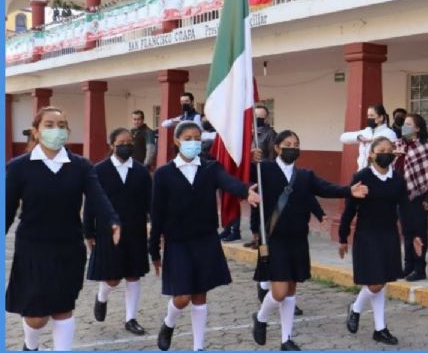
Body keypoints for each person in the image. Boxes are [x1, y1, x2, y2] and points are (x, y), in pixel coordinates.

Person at [6, 106, 121, 351]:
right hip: (33, 247)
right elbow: (7, 207)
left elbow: (97, 195)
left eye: (61, 125)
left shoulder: (80, 166)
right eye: (49, 125)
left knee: (62, 309)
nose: (56, 130)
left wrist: (112, 220)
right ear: (36, 132)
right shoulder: (19, 167)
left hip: (68, 245)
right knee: (36, 317)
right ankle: (31, 345)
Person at [251, 130, 368, 351]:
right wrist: (251, 160)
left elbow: (325, 188)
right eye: (288, 144)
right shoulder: (263, 170)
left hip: (297, 238)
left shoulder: (304, 175)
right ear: (276, 147)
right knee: (279, 292)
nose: (293, 147)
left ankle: (286, 339)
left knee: (291, 290)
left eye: (296, 144)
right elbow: (243, 178)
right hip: (274, 239)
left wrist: (348, 191)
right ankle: (260, 318)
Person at [150, 121, 261, 351]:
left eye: (197, 138)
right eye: (188, 138)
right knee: (182, 297)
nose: (193, 143)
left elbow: (228, 182)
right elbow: (157, 212)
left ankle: (198, 347)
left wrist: (244, 191)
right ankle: (169, 323)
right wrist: (154, 250)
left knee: (200, 295)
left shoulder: (211, 168)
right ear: (177, 141)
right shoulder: (163, 174)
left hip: (205, 238)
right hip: (178, 241)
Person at [340, 136, 422, 346]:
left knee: (382, 280)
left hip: (388, 233)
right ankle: (356, 308)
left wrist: (413, 235)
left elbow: (405, 209)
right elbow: (349, 209)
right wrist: (342, 237)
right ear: (372, 155)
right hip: (367, 234)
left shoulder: (398, 179)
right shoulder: (362, 176)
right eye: (382, 150)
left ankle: (380, 328)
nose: (387, 153)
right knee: (375, 282)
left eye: (390, 149)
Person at [84, 128, 152, 335]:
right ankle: (102, 297)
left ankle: (131, 318)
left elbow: (151, 203)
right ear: (111, 145)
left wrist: (157, 227)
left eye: (130, 142)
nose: (126, 146)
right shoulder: (99, 170)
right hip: (107, 231)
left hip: (136, 230)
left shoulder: (141, 172)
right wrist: (88, 232)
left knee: (133, 275)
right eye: (121, 142)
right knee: (112, 278)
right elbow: (91, 204)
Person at [393, 113, 428, 281]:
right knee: (407, 232)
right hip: (402, 196)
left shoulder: (426, 147)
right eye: (404, 124)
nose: (404, 127)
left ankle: (420, 268)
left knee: (419, 232)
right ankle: (408, 266)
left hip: (420, 197)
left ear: (417, 128)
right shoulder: (399, 145)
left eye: (409, 124)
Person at [221, 104, 277, 244]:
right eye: (256, 116)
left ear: (266, 117)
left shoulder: (270, 134)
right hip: (247, 173)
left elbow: (272, 156)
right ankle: (254, 235)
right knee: (251, 205)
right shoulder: (244, 133)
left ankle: (263, 236)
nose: (258, 119)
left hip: (262, 173)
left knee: (261, 206)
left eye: (261, 117)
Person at [340, 104, 398, 171]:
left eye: (372, 116)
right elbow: (343, 137)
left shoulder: (389, 133)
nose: (369, 118)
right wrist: (359, 138)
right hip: (362, 171)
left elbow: (394, 155)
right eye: (368, 116)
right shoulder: (366, 132)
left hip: (380, 172)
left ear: (381, 117)